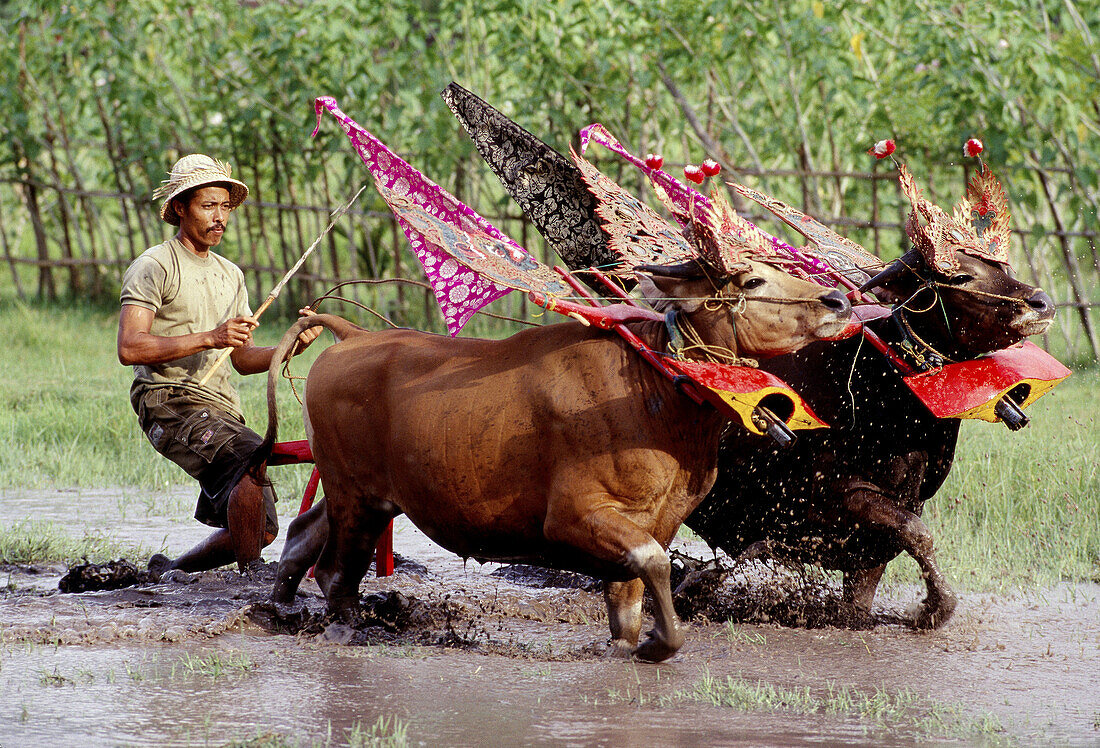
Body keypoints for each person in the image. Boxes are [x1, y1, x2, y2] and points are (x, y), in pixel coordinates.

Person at [117, 154, 321, 576]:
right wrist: (211, 336)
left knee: (258, 528)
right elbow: (131, 348)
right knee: (249, 457)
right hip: (168, 398)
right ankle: (253, 583)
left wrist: (291, 345)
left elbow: (243, 360)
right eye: (208, 205)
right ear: (180, 208)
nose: (220, 217)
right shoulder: (155, 265)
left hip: (220, 407)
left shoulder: (231, 274)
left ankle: (172, 569)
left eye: (225, 207)